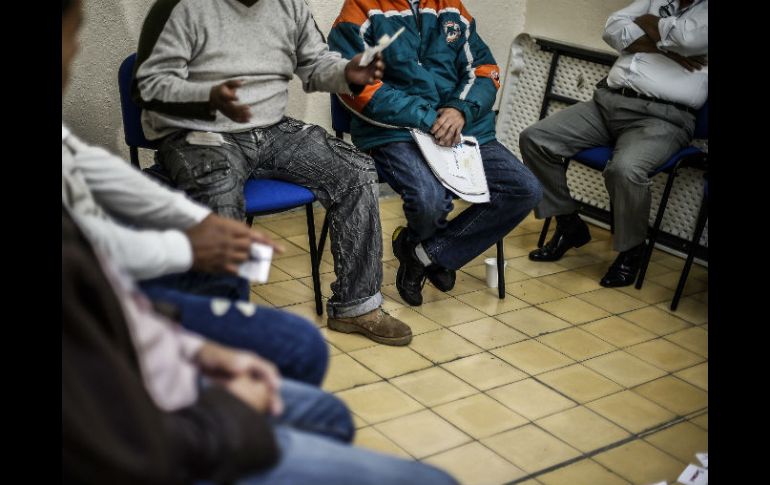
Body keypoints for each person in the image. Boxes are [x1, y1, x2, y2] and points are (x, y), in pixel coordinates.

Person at [132, 0, 413, 346]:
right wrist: (207, 97)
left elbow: (314, 64)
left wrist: (346, 74)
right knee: (220, 197)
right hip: (199, 131)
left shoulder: (289, 6)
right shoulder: (182, 7)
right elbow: (148, 85)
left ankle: (357, 306)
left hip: (271, 130)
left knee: (355, 171)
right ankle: (226, 335)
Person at [328, 0, 542, 306]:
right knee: (430, 201)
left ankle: (423, 253)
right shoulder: (360, 9)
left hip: (460, 128)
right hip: (394, 131)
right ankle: (436, 254)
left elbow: (484, 70)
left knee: (524, 189)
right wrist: (429, 118)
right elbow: (357, 86)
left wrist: (459, 110)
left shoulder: (451, 8)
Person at [519, 0, 707, 287]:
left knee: (625, 170)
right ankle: (569, 225)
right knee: (535, 139)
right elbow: (612, 29)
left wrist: (646, 25)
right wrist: (663, 44)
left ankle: (632, 251)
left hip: (663, 118)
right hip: (608, 102)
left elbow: (686, 39)